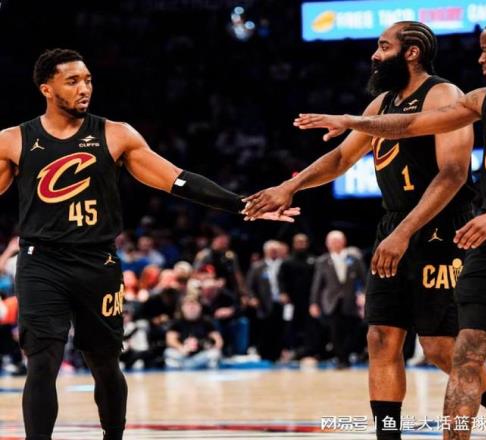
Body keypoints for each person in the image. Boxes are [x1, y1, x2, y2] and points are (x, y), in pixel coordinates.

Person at [0, 48, 299, 440]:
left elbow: (176, 179)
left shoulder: (115, 134)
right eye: (72, 81)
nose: (84, 88)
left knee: (104, 363)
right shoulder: (14, 140)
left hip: (97, 262)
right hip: (41, 262)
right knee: (42, 362)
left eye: (88, 79)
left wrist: (241, 205)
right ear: (46, 89)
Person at [243, 21, 486, 440]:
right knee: (381, 337)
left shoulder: (444, 94)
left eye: (383, 47)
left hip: (440, 226)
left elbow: (453, 173)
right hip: (393, 223)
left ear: (411, 52)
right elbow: (341, 158)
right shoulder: (381, 103)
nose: (375, 55)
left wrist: (404, 233)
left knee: (439, 347)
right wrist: (289, 187)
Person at [310, 231, 366, 369]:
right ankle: (342, 359)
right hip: (331, 301)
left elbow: (364, 280)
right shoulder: (322, 261)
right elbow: (317, 284)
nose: (335, 244)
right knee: (335, 331)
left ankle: (347, 355)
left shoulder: (354, 259)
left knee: (352, 330)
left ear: (344, 242)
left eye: (338, 240)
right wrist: (314, 303)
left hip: (351, 301)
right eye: (332, 241)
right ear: (327, 244)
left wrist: (364, 294)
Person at [246, 240, 287, 361]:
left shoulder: (284, 265)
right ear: (266, 252)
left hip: (281, 303)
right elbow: (250, 286)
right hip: (264, 303)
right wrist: (252, 298)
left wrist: (287, 294)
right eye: (271, 250)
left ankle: (278, 354)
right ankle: (264, 354)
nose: (273, 252)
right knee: (265, 329)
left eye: (275, 250)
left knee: (280, 329)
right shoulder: (257, 267)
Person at [164, 295, 223, 369]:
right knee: (169, 352)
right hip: (183, 355)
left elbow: (218, 340)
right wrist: (180, 348)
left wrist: (212, 348)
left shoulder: (207, 322)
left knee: (215, 353)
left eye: (194, 305)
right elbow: (170, 340)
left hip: (201, 357)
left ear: (200, 307)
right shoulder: (176, 323)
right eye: (188, 305)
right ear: (182, 308)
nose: (191, 307)